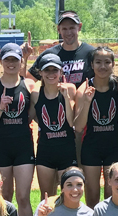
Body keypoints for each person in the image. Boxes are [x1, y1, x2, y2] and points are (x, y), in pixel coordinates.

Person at [24, 11, 95, 167]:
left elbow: (100, 80)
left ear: (79, 27)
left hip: (83, 121)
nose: (68, 32)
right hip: (56, 123)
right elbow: (27, 80)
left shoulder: (90, 53)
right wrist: (25, 59)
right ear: (58, 29)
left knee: (78, 170)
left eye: (72, 28)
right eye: (64, 28)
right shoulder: (50, 54)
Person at [0, 43, 36, 216]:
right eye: (8, 60)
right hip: (1, 147)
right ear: (1, 62)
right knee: (4, 197)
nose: (11, 64)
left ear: (21, 61)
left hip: (23, 146)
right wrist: (0, 108)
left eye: (15, 59)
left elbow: (31, 115)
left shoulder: (29, 86)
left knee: (23, 197)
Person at [74, 47, 118, 208]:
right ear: (92, 64)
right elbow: (78, 127)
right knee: (92, 195)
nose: (102, 66)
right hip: (91, 147)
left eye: (107, 62)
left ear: (113, 64)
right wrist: (86, 102)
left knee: (111, 194)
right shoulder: (83, 89)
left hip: (113, 146)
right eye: (98, 62)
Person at [30, 53, 77, 199]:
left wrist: (67, 98)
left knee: (68, 196)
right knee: (47, 197)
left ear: (61, 71)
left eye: (54, 70)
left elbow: (71, 122)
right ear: (41, 73)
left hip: (67, 151)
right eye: (47, 70)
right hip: (46, 151)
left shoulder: (69, 89)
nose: (51, 74)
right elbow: (33, 116)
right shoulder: (36, 94)